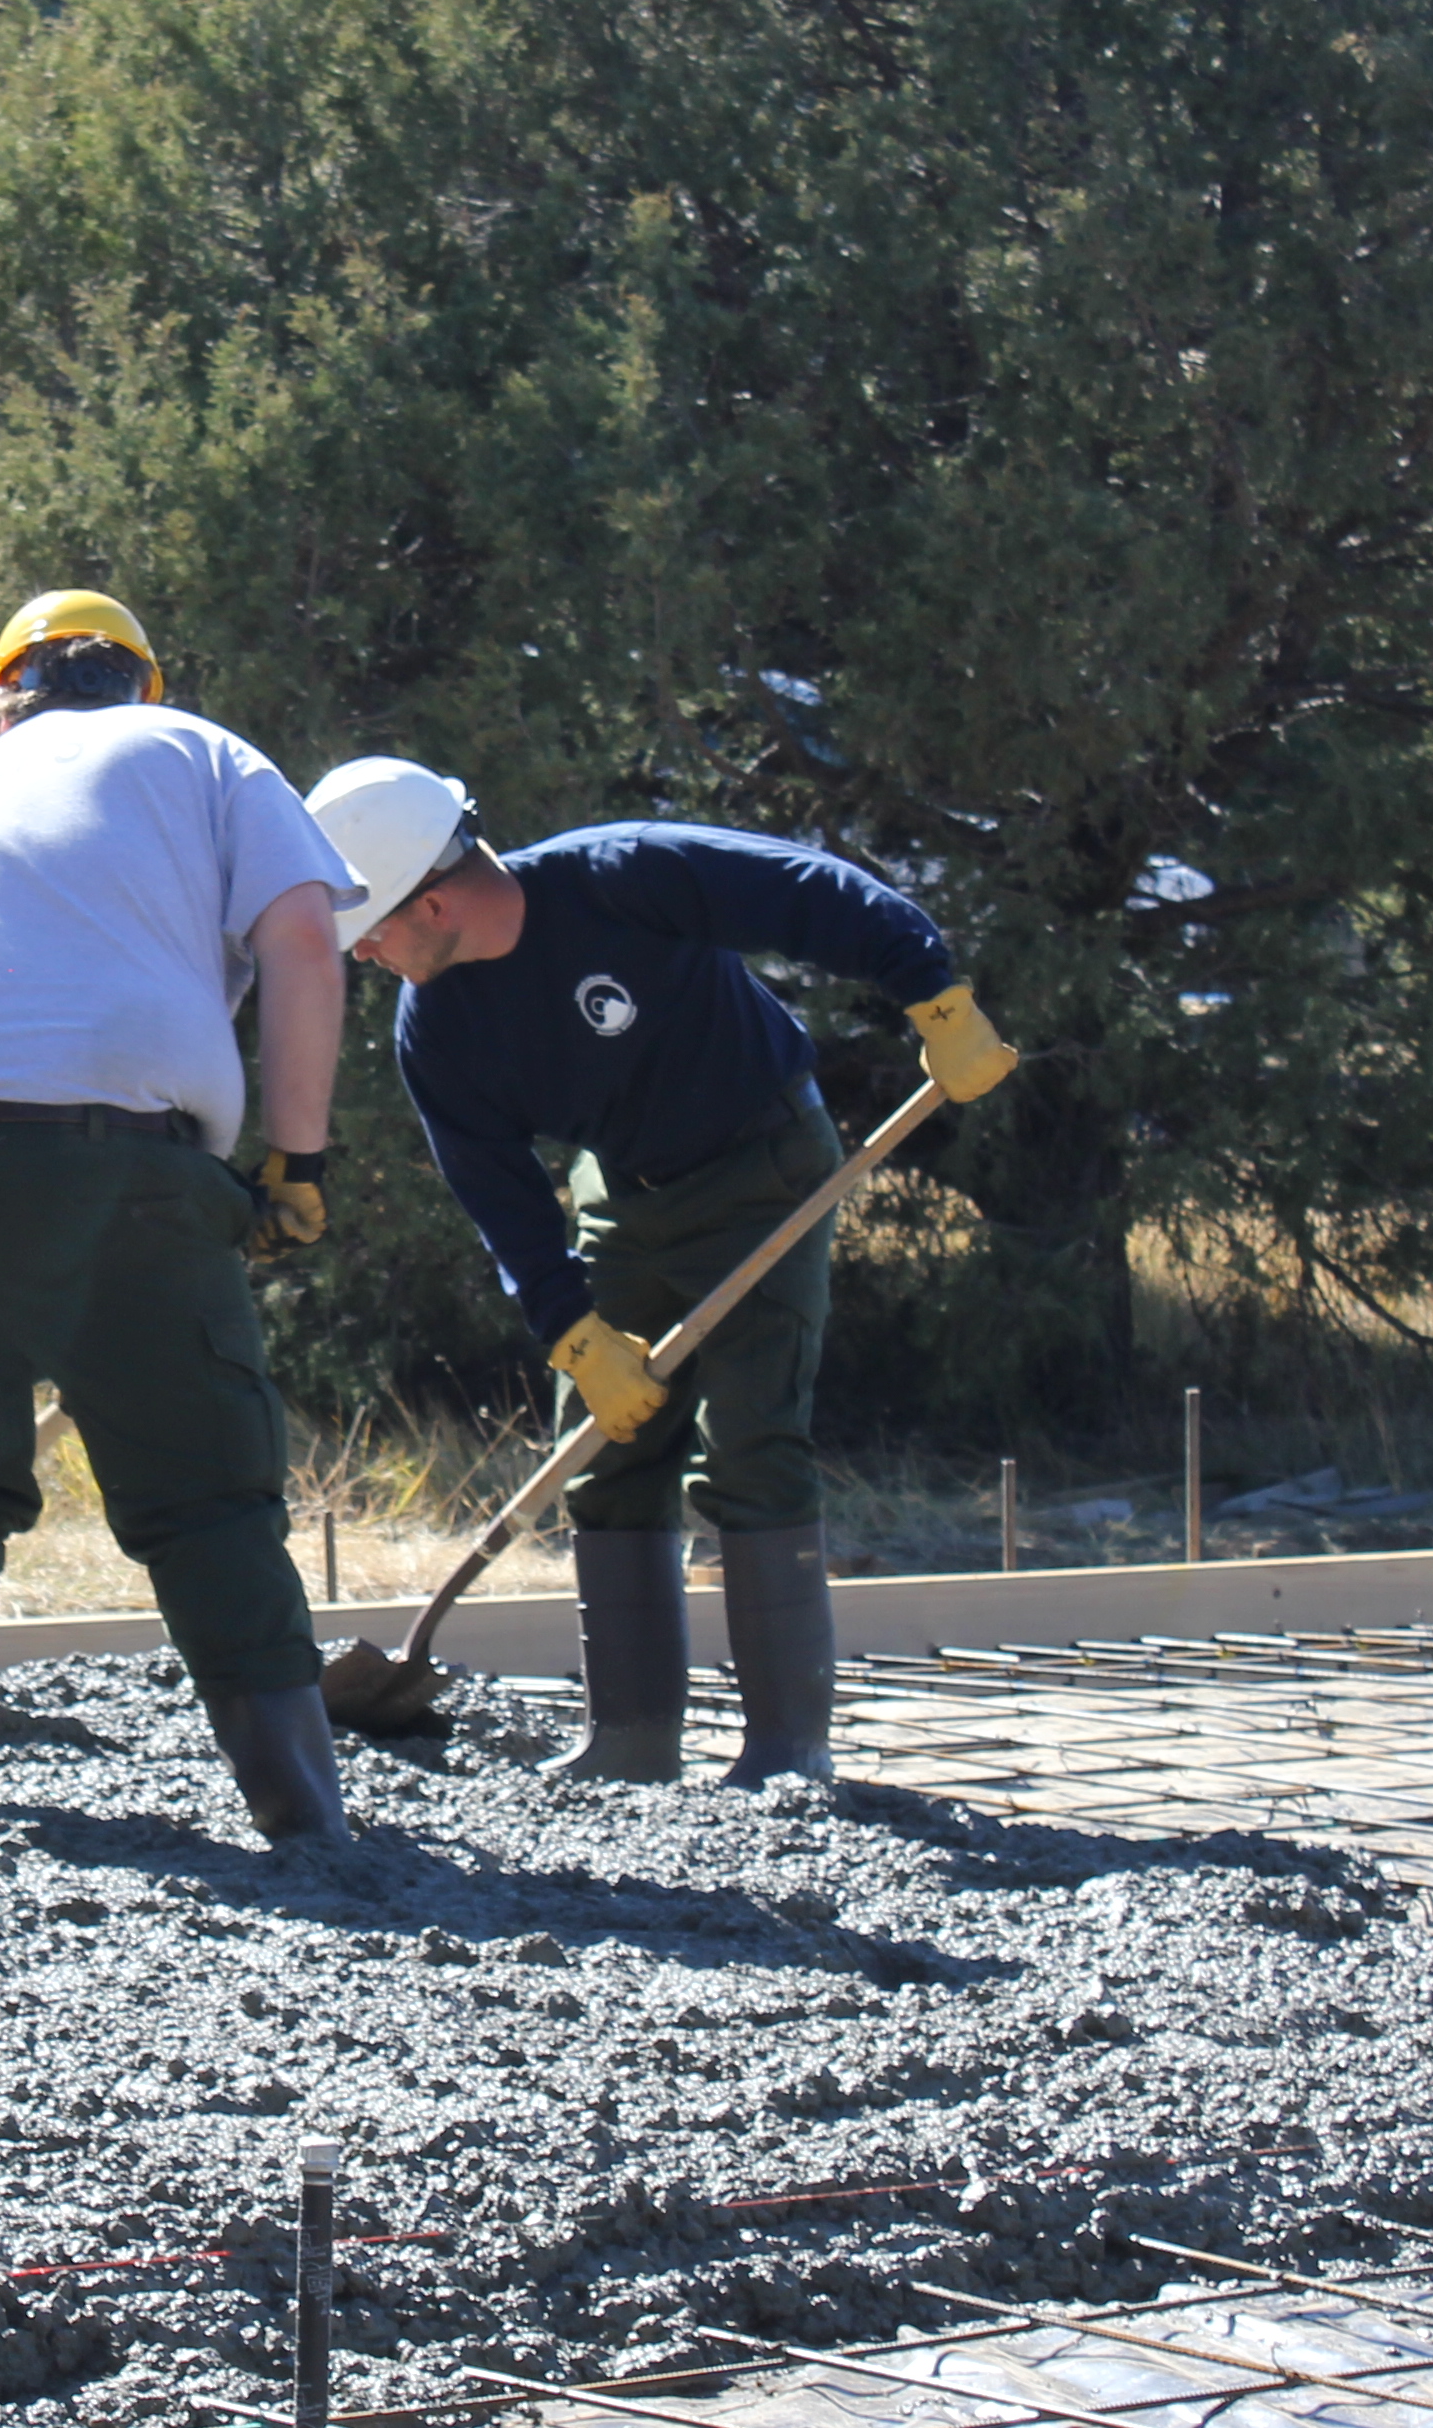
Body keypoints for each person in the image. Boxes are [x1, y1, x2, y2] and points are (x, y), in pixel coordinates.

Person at [309, 759, 1015, 1788]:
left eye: (372, 928)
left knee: (750, 1445)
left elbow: (810, 891)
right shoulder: (438, 1031)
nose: (365, 952)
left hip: (762, 1162)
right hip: (624, 1193)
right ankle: (631, 1742)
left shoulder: (617, 878)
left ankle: (787, 1753)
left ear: (437, 896)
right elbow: (497, 1196)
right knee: (603, 1447)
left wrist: (936, 1000)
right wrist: (574, 1333)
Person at [0, 590, 359, 1843]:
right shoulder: (210, 756)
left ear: (1, 699)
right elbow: (303, 942)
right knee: (206, 1489)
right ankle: (304, 1822)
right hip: (119, 1164)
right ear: (143, 691)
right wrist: (299, 1161)